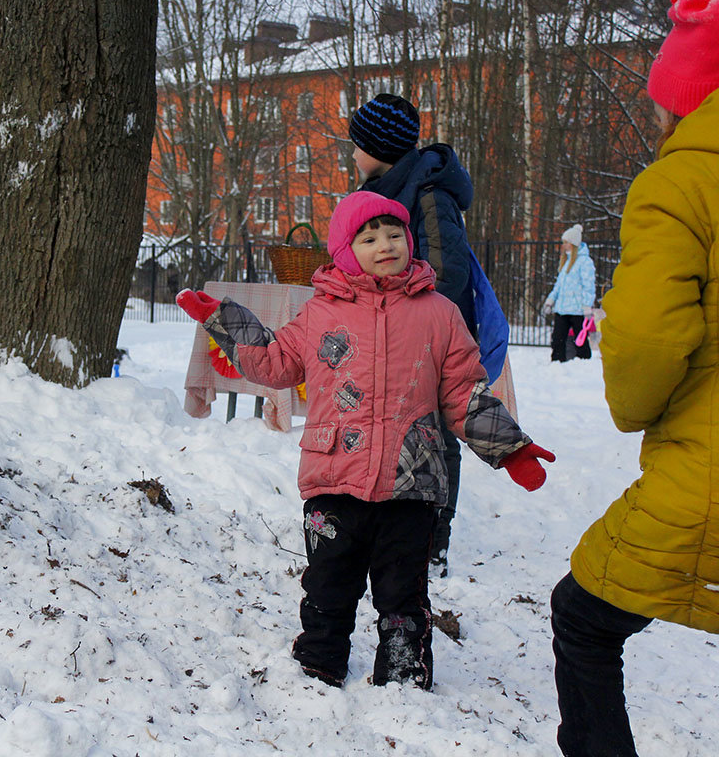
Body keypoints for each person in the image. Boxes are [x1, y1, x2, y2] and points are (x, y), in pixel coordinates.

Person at [176, 191, 554, 689]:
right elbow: (275, 359)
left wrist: (509, 448)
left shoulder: (439, 313)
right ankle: (320, 657)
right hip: (334, 473)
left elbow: (463, 391)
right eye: (369, 237)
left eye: (394, 234)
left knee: (404, 588)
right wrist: (224, 319)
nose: (385, 245)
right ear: (345, 250)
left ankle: (403, 668)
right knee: (329, 581)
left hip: (411, 478)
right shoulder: (319, 313)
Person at [549, 0, 719, 756]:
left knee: (582, 616)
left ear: (681, 100)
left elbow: (648, 340)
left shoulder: (679, 184)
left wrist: (632, 405)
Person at [348, 92, 500, 573]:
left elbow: (446, 272)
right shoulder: (387, 189)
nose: (352, 155)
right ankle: (391, 526)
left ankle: (434, 539)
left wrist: (403, 308)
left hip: (434, 336)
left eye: (358, 145)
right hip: (394, 332)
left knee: (434, 433)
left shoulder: (429, 193)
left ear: (381, 148)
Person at [542, 224, 596, 362]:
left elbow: (588, 285)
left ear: (573, 244)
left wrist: (586, 305)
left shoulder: (585, 262)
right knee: (557, 339)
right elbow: (558, 286)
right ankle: (557, 363)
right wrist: (550, 300)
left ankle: (584, 364)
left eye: (566, 242)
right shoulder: (565, 263)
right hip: (562, 309)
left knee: (580, 340)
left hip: (577, 310)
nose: (564, 245)